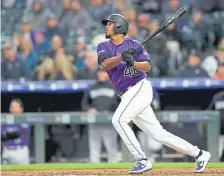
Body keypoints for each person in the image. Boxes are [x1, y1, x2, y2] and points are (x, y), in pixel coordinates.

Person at [97, 13, 211, 174]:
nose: (106, 26)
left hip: (139, 89)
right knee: (159, 134)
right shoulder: (103, 46)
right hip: (126, 94)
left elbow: (147, 67)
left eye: (109, 24)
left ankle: (141, 160)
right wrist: (121, 57)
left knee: (118, 120)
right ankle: (199, 154)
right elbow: (105, 64)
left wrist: (133, 62)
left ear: (119, 26)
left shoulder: (134, 44)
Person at [81, 68, 119, 163]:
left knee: (111, 148)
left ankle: (115, 171)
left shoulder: (114, 87)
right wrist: (89, 109)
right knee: (94, 148)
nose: (100, 74)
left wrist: (113, 110)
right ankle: (94, 171)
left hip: (109, 122)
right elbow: (84, 103)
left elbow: (120, 103)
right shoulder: (92, 88)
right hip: (95, 121)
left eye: (103, 72)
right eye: (99, 72)